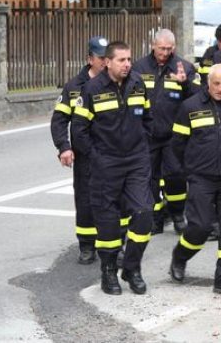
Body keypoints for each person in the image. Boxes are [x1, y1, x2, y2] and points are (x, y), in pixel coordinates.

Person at [71, 41, 154, 295]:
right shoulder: (91, 89)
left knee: (144, 212)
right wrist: (97, 157)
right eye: (121, 60)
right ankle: (108, 272)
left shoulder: (138, 84)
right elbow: (79, 130)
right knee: (107, 222)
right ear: (107, 62)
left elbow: (148, 120)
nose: (127, 64)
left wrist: (141, 147)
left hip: (136, 161)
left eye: (129, 59)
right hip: (106, 164)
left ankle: (132, 267)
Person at [169, 64, 221, 297]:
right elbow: (177, 144)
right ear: (208, 82)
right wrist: (190, 170)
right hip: (201, 178)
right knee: (200, 227)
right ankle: (180, 256)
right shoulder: (190, 106)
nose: (220, 89)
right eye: (216, 83)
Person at [132, 29, 200, 235]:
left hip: (175, 136)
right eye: (161, 48)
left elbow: (198, 97)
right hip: (148, 135)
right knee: (149, 178)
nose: (165, 52)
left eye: (169, 49)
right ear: (153, 45)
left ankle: (178, 215)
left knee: (176, 176)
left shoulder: (185, 68)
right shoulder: (139, 68)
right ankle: (155, 218)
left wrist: (185, 83)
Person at [50, 36, 108, 264]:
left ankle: (114, 244)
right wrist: (64, 147)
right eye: (101, 58)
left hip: (111, 153)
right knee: (85, 200)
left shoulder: (115, 82)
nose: (105, 62)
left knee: (114, 199)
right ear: (90, 59)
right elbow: (59, 119)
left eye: (107, 57)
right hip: (85, 154)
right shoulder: (74, 87)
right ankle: (86, 246)